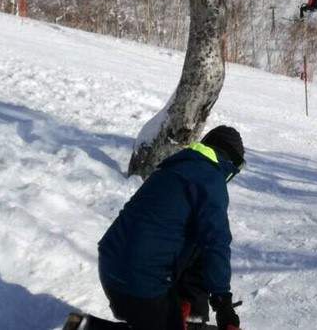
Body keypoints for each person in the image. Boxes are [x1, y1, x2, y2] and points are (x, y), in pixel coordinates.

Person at [97, 125, 245, 330]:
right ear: (232, 163)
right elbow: (216, 244)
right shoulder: (211, 180)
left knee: (195, 243)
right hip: (139, 284)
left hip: (110, 267)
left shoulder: (176, 165)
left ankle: (186, 314)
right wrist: (223, 304)